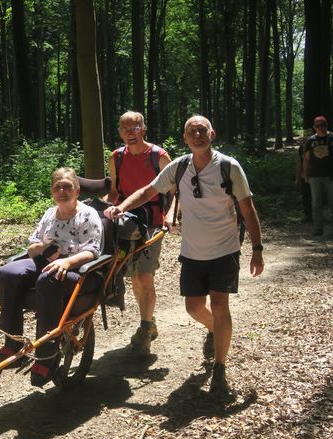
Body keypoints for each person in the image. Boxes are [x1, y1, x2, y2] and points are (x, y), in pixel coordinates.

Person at [106, 115, 264, 401]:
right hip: (192, 251)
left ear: (212, 134)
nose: (198, 134)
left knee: (219, 303)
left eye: (202, 130)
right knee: (193, 308)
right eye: (192, 131)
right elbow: (147, 191)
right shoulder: (179, 166)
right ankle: (217, 332)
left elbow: (247, 208)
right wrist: (121, 207)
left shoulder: (229, 167)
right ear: (185, 138)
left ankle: (219, 368)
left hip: (225, 249)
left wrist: (257, 248)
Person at [0, 168, 102, 387]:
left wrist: (66, 261)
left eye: (67, 186)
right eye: (57, 187)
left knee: (47, 279)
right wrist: (42, 247)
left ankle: (47, 353)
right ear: (52, 191)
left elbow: (93, 250)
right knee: (6, 273)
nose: (62, 191)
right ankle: (13, 343)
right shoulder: (50, 214)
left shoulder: (87, 214)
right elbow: (32, 247)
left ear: (77, 190)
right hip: (45, 263)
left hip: (80, 269)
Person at [103, 111, 173, 356]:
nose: (130, 133)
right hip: (125, 222)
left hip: (152, 221)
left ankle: (144, 329)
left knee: (144, 277)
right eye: (125, 129)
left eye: (135, 128)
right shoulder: (116, 157)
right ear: (119, 131)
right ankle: (149, 321)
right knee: (133, 277)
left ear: (144, 129)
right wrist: (105, 206)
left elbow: (176, 190)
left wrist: (172, 215)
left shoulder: (159, 156)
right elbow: (114, 191)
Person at [303, 115, 333, 236]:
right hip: (314, 176)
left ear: (327, 125)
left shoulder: (332, 138)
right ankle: (318, 228)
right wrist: (305, 174)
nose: (320, 127)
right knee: (316, 202)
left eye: (323, 124)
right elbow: (306, 159)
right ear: (314, 127)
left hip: (331, 175)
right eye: (317, 125)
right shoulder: (310, 141)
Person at [295, 135, 312, 223]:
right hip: (304, 176)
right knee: (306, 196)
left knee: (316, 196)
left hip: (315, 176)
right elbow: (299, 163)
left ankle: (315, 215)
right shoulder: (301, 148)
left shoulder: (315, 146)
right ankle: (308, 215)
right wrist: (297, 178)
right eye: (305, 136)